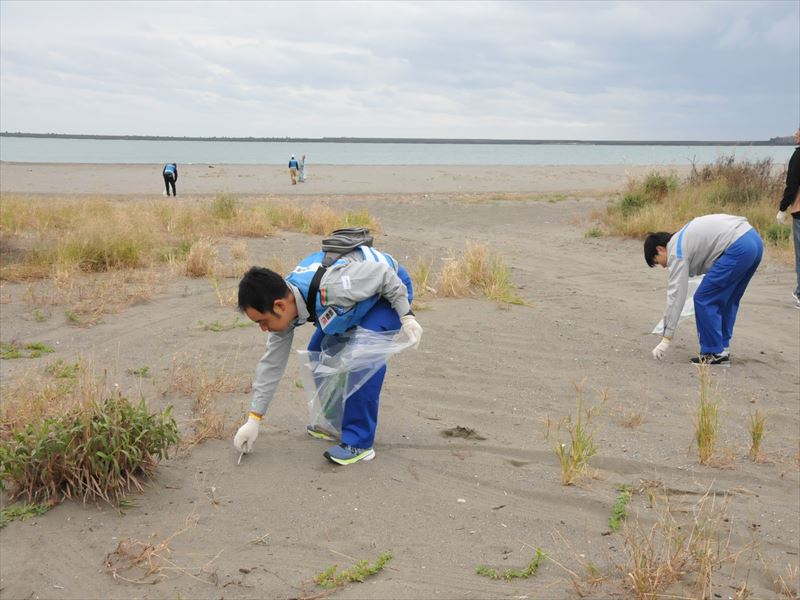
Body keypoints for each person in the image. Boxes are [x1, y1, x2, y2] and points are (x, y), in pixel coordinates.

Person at [233, 243, 423, 465]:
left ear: (280, 306)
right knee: (318, 354)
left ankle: (359, 443)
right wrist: (254, 419)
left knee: (363, 359)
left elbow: (384, 277)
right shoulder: (288, 300)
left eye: (262, 322)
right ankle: (335, 425)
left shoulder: (332, 287)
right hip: (350, 302)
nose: (263, 329)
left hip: (389, 292)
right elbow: (271, 365)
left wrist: (406, 316)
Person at [644, 213, 763, 366]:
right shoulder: (684, 237)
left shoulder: (676, 251)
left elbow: (676, 295)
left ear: (660, 249)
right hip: (754, 241)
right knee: (728, 298)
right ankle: (722, 348)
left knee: (704, 298)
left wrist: (666, 338)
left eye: (658, 262)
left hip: (738, 246)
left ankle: (714, 352)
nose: (663, 266)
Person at [776, 127, 800, 309]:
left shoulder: (798, 156)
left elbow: (791, 184)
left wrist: (783, 208)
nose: (795, 134)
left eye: (798, 132)